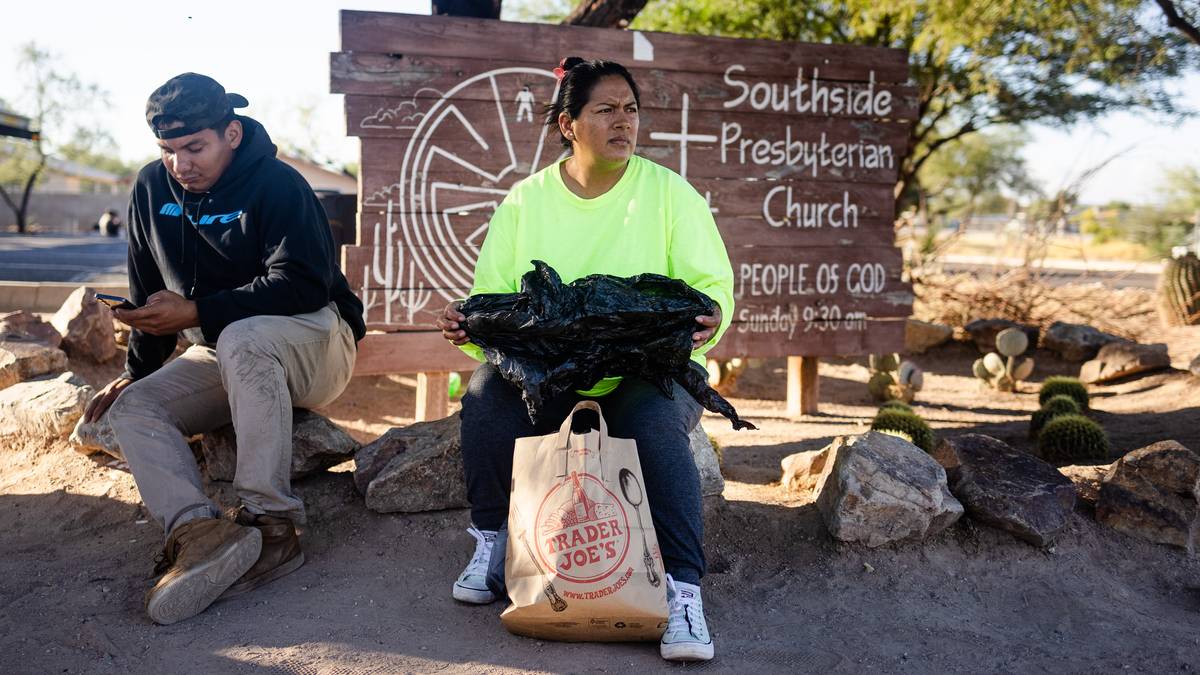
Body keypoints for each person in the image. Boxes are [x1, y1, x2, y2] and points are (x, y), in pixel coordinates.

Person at [437, 57, 734, 662]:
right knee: (487, 392)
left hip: (646, 369)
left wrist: (711, 317)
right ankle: (493, 544)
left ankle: (681, 593)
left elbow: (713, 285)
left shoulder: (669, 194)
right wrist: (468, 324)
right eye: (605, 110)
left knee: (653, 423)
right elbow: (496, 299)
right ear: (568, 124)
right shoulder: (525, 202)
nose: (623, 122)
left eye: (630, 110)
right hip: (553, 373)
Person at [82, 73, 366, 625]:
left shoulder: (279, 184)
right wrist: (135, 371)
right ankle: (199, 533)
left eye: (195, 148)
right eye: (168, 151)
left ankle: (272, 527)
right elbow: (148, 296)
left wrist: (197, 312)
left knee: (242, 335)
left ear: (231, 134)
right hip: (225, 348)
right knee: (136, 407)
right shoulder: (149, 189)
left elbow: (305, 284)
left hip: (315, 340)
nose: (180, 165)